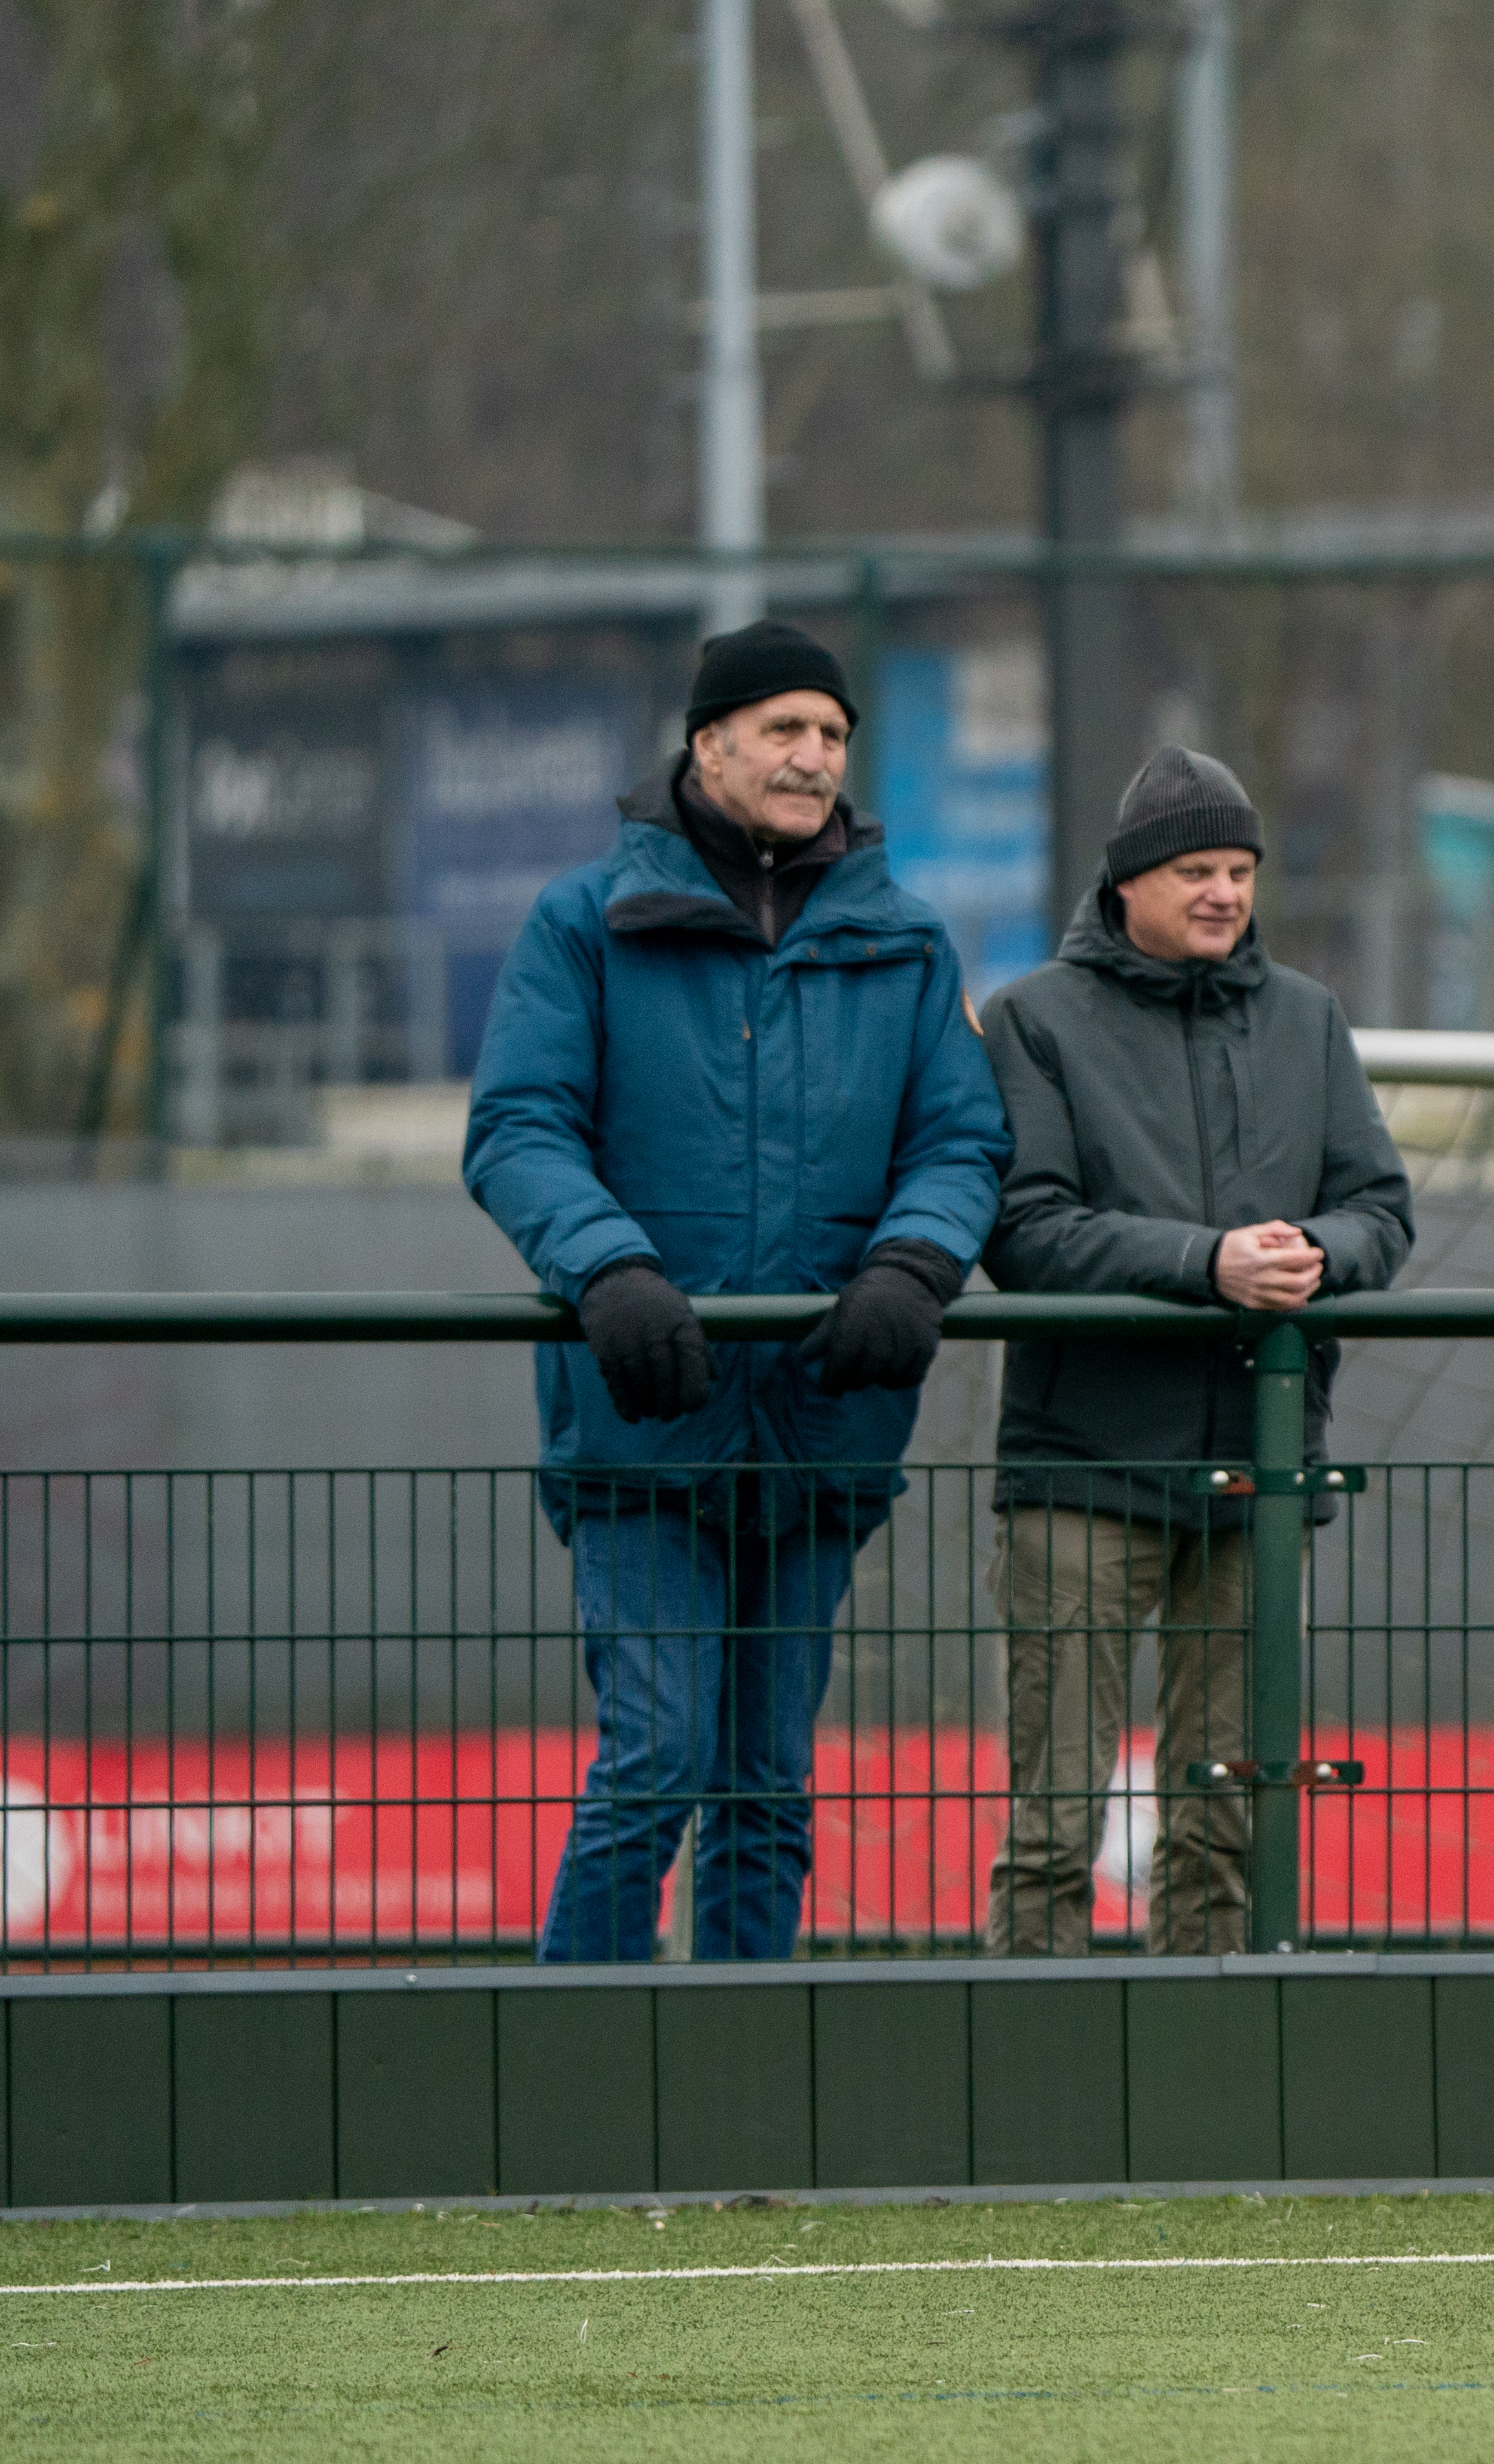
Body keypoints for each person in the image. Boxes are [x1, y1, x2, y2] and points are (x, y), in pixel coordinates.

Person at [467, 617, 1012, 1963]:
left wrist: (913, 1261)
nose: (813, 755)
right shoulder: (584, 922)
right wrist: (611, 1266)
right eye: (783, 729)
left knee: (766, 1782)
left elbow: (960, 1140)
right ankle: (567, 2062)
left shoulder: (906, 941)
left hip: (821, 1425)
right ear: (706, 744)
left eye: (832, 734)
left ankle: (743, 2062)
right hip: (644, 1423)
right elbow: (518, 1128)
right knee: (656, 1757)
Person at [979, 746, 1415, 1956]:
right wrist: (1206, 1262)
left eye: (1239, 869)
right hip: (1081, 1471)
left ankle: (1208, 2059)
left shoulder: (1307, 1018)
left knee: (1224, 1824)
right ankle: (1026, 2059)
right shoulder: (1033, 1019)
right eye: (1194, 870)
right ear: (1127, 880)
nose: (1224, 891)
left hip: (1257, 1477)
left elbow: (1381, 1208)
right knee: (1053, 1826)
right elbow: (1023, 1230)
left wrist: (1315, 1250)